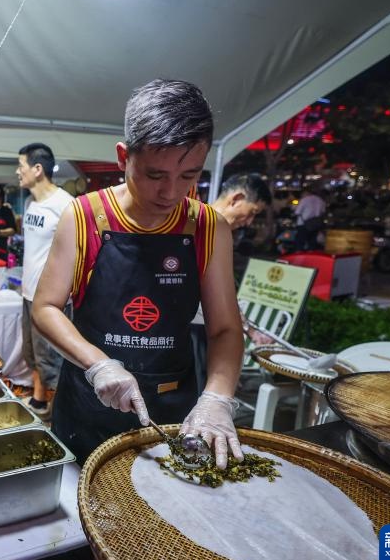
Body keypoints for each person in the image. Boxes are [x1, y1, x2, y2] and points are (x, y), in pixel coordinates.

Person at [32, 79, 245, 469]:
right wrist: (98, 364)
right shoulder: (84, 216)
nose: (171, 193)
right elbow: (45, 308)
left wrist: (217, 398)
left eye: (188, 175)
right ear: (123, 156)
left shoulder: (208, 227)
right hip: (89, 406)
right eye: (155, 175)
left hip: (173, 408)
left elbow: (225, 330)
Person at [191, 173, 273, 391]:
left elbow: (225, 295)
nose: (249, 222)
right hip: (190, 333)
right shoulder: (198, 226)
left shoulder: (220, 233)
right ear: (236, 199)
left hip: (206, 331)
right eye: (252, 212)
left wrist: (250, 330)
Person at [17, 143, 74, 419]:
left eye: (21, 166)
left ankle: (61, 417)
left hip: (52, 300)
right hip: (28, 293)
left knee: (52, 361)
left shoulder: (66, 205)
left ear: (38, 169)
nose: (18, 172)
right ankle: (39, 401)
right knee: (33, 355)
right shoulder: (30, 203)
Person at [294, 184, 326, 251]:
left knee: (300, 241)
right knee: (312, 242)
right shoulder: (320, 200)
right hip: (316, 224)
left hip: (303, 224)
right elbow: (323, 212)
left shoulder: (304, 200)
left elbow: (297, 212)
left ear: (306, 192)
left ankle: (299, 254)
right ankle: (310, 254)